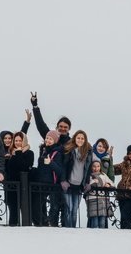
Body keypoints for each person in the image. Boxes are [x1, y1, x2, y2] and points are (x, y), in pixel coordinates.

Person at [27, 92, 71, 225]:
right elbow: (41, 125)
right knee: (45, 206)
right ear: (57, 127)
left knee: (62, 208)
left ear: (69, 129)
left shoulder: (70, 143)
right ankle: (45, 225)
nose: (62, 129)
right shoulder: (51, 138)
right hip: (47, 179)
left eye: (65, 127)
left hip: (63, 179)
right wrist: (35, 106)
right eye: (60, 126)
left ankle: (61, 230)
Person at [61, 130, 94, 228]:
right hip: (69, 183)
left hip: (79, 185)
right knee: (69, 209)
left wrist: (87, 182)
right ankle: (68, 229)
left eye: (82, 138)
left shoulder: (88, 152)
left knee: (75, 210)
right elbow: (64, 166)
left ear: (85, 140)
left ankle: (73, 230)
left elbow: (88, 169)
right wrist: (63, 180)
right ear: (75, 138)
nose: (80, 140)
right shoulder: (69, 150)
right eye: (78, 138)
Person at [33, 130, 66, 226]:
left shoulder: (57, 153)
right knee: (38, 206)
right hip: (41, 183)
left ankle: (47, 223)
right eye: (47, 138)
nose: (48, 140)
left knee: (48, 208)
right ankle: (42, 223)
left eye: (51, 139)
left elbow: (60, 171)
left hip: (51, 185)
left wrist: (51, 163)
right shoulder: (44, 150)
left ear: (55, 141)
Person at [4, 131, 34, 226]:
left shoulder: (29, 153)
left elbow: (24, 166)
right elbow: (9, 169)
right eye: (16, 140)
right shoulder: (11, 153)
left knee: (25, 211)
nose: (17, 142)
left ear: (24, 141)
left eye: (20, 140)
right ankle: (12, 230)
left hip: (24, 187)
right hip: (11, 187)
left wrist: (19, 152)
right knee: (13, 211)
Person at [84, 160, 113, 229]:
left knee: (102, 221)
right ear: (91, 167)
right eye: (94, 166)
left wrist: (108, 184)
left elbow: (112, 183)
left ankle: (102, 238)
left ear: (100, 167)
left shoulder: (103, 175)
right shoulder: (88, 175)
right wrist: (94, 182)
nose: (96, 168)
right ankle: (94, 238)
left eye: (98, 166)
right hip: (92, 199)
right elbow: (85, 186)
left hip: (103, 200)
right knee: (95, 221)